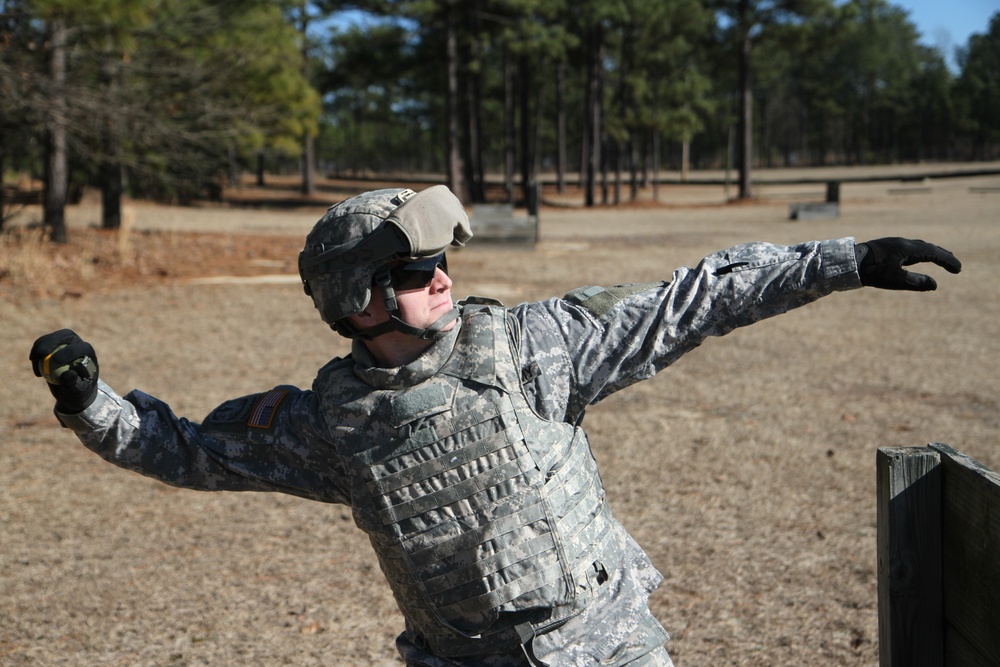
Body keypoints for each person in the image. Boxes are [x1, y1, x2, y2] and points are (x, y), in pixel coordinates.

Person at [30, 185, 961, 666]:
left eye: (442, 260)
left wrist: (844, 258)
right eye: (414, 267)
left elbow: (693, 301)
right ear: (357, 300)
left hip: (607, 647)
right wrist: (90, 405)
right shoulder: (331, 423)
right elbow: (188, 448)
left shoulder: (534, 346)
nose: (442, 276)